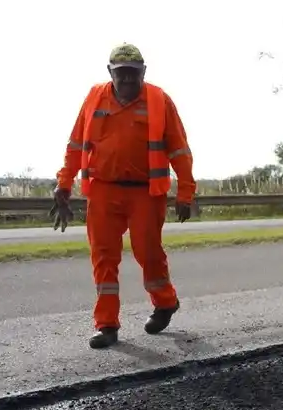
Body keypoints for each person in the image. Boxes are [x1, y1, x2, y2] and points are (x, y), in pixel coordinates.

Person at [50, 43, 196, 349]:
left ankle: (165, 301)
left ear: (144, 72)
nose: (128, 80)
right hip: (103, 190)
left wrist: (186, 191)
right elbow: (76, 145)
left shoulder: (159, 100)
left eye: (133, 73)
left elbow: (180, 149)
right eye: (121, 74)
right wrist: (64, 184)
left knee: (149, 253)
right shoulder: (93, 98)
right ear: (110, 73)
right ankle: (107, 325)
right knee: (103, 259)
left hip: (146, 193)